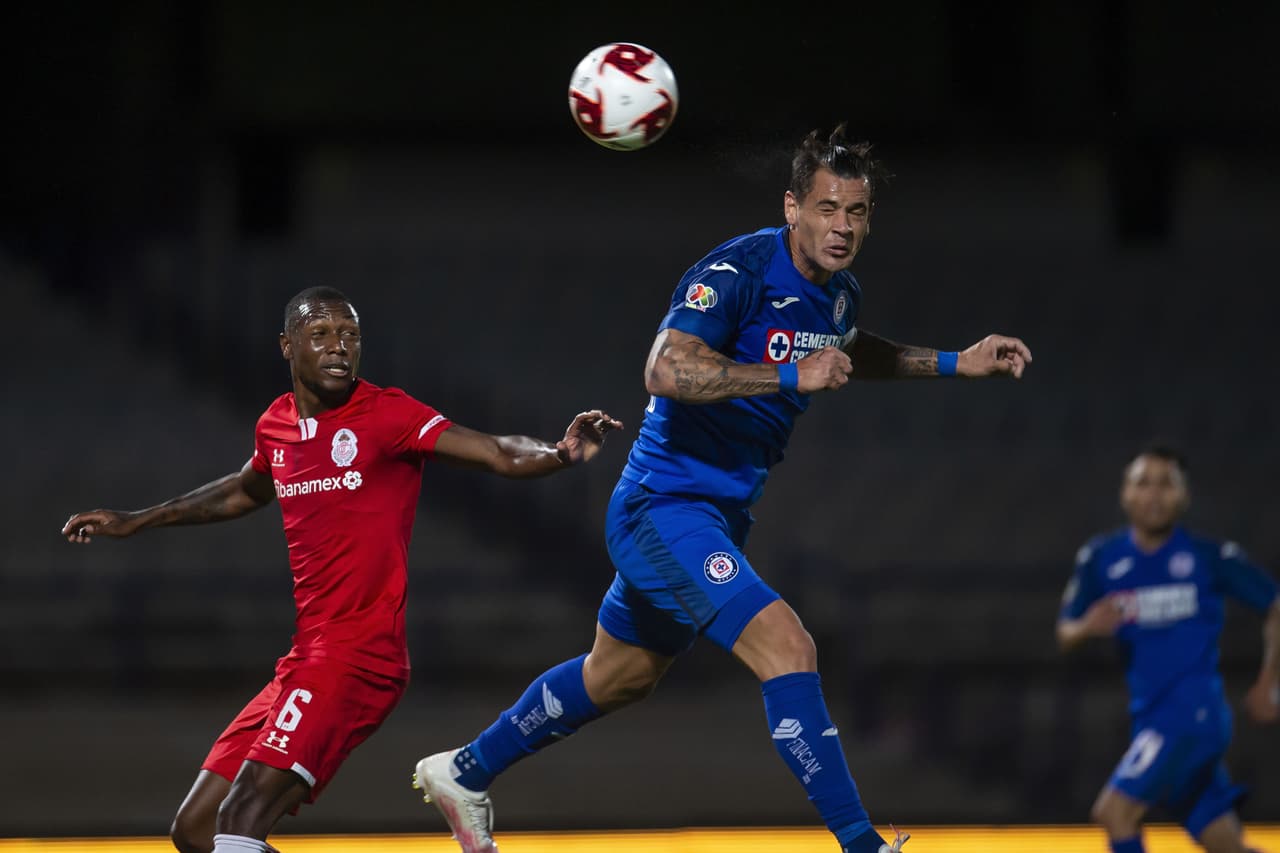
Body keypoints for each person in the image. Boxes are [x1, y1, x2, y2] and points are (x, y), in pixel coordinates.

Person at [411, 124, 1033, 853]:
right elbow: (666, 370)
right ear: (792, 206)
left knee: (619, 676)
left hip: (717, 514)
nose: (843, 226)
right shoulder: (737, 272)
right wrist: (789, 376)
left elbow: (847, 348)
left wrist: (961, 361)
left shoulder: (838, 295)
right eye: (828, 208)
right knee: (788, 646)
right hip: (663, 509)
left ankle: (465, 768)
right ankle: (862, 845)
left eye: (857, 212)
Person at [60, 287, 623, 853]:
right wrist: (137, 520)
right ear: (288, 346)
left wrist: (557, 454)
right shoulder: (275, 426)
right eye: (322, 334)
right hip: (305, 658)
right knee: (197, 830)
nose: (339, 348)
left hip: (357, 655)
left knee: (243, 814)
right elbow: (242, 491)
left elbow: (497, 450)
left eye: (350, 335)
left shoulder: (386, 414)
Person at [1057, 445, 1280, 853]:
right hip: (1150, 718)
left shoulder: (1208, 557)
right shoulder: (1102, 559)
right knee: (1227, 844)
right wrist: (1086, 627)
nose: (1154, 494)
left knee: (1114, 812)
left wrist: (1271, 682)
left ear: (1184, 496)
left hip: (1190, 716)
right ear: (1125, 494)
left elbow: (1276, 605)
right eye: (1144, 483)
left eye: (1167, 484)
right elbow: (1064, 632)